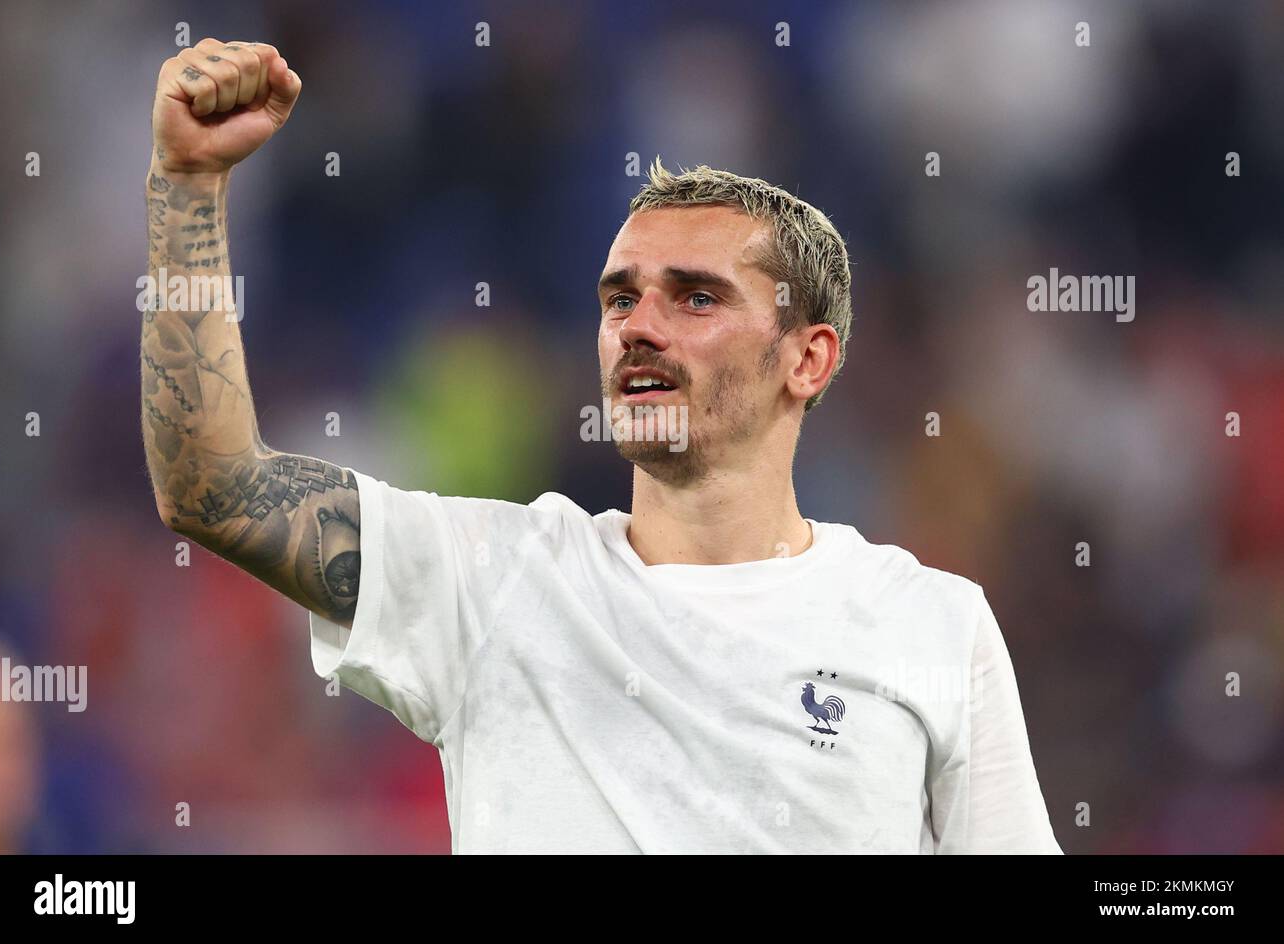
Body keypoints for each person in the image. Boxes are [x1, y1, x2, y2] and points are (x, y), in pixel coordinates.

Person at [141, 38, 1062, 854]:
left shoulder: (929, 625)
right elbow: (213, 486)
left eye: (696, 297)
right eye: (620, 299)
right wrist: (188, 189)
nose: (639, 327)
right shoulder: (490, 579)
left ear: (807, 358)